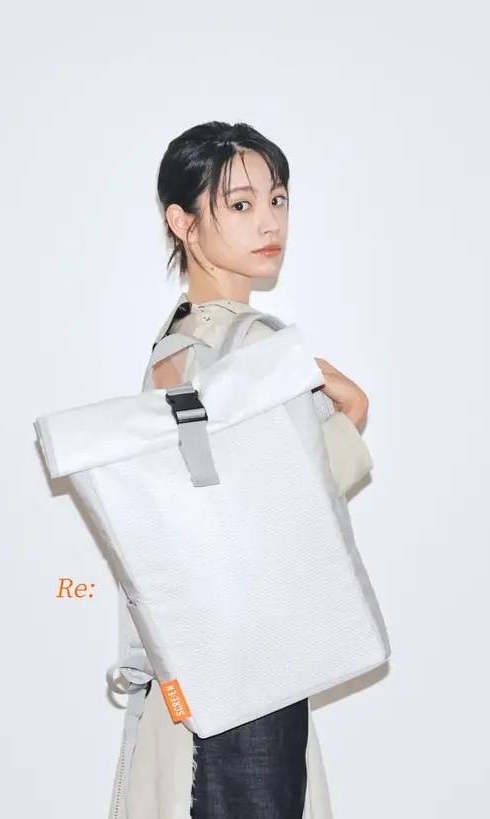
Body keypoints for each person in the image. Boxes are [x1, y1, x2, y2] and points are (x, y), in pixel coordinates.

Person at [108, 122, 374, 819]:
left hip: (191, 659)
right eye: (240, 203)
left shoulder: (170, 344)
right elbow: (291, 509)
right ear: (183, 222)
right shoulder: (259, 346)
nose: (269, 221)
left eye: (277, 199)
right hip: (255, 663)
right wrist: (351, 414)